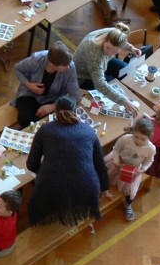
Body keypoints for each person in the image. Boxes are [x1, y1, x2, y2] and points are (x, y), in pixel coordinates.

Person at [26, 96, 110, 226]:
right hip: (86, 186)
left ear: (56, 112)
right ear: (75, 111)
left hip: (50, 186)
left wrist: (48, 169)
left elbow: (31, 164)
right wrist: (105, 188)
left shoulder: (45, 129)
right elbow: (100, 164)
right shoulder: (88, 131)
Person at [73, 23, 141, 115]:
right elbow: (100, 84)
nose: (110, 53)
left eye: (114, 51)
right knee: (113, 85)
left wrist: (131, 48)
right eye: (108, 48)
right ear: (105, 39)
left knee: (126, 71)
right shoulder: (94, 54)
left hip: (101, 63)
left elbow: (122, 42)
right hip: (83, 76)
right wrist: (123, 101)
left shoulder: (115, 32)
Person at [12, 42, 80, 126]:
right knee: (24, 119)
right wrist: (30, 85)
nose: (68, 67)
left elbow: (75, 96)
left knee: (46, 122)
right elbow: (17, 69)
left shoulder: (70, 67)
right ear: (52, 64)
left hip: (54, 98)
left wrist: (52, 106)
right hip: (29, 94)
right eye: (65, 65)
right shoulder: (36, 59)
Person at [104, 116, 156, 221]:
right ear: (133, 132)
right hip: (118, 164)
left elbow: (149, 160)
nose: (138, 141)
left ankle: (128, 205)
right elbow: (116, 150)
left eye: (143, 139)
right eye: (136, 137)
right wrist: (116, 161)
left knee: (131, 191)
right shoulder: (126, 139)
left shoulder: (150, 148)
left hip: (134, 171)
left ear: (150, 136)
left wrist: (143, 169)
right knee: (106, 175)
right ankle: (104, 190)